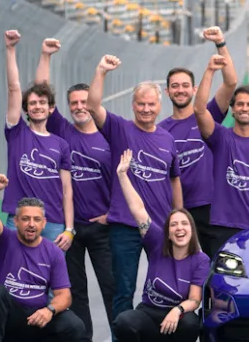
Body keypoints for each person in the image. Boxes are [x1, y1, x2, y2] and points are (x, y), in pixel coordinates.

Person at [85, 54, 183, 319]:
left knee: (165, 288)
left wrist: (180, 217)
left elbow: (174, 179)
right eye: (141, 104)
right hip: (125, 227)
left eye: (151, 104)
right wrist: (101, 71)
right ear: (133, 105)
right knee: (123, 290)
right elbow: (93, 106)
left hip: (161, 226)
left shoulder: (167, 139)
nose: (146, 109)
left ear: (159, 105)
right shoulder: (119, 129)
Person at [38, 37, 118, 342]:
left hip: (102, 228)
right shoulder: (62, 131)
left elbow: (125, 181)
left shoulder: (109, 135)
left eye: (85, 102)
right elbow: (41, 92)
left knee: (112, 289)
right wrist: (46, 56)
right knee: (75, 293)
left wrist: (113, 215)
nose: (80, 107)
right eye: (74, 104)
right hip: (68, 230)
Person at [192, 54, 249, 263]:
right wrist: (209, 71)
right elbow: (199, 110)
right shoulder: (220, 138)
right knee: (221, 283)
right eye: (240, 104)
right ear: (232, 110)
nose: (244, 108)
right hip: (222, 227)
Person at [111, 149, 210, 342]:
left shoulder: (200, 259)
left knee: (192, 323)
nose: (179, 229)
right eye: (174, 224)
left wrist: (177, 310)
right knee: (124, 321)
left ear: (192, 229)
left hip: (177, 316)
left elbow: (195, 299)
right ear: (168, 232)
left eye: (184, 224)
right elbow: (138, 209)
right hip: (149, 313)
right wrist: (123, 175)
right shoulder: (157, 242)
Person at [0, 174, 86, 342]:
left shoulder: (53, 252)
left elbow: (64, 295)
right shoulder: (3, 240)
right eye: (25, 219)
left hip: (36, 318)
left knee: (74, 326)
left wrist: (49, 310)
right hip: (7, 319)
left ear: (43, 223)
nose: (31, 224)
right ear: (16, 221)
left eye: (36, 219)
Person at [158, 26, 238, 245]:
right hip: (181, 213)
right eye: (175, 86)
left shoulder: (207, 116)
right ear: (167, 92)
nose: (180, 90)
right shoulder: (160, 131)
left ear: (194, 90)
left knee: (218, 268)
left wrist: (220, 43)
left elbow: (231, 82)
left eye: (185, 86)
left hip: (214, 208)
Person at [2, 30, 75, 248]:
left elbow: (66, 189)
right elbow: (14, 88)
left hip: (53, 222)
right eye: (32, 103)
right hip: (18, 219)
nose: (37, 106)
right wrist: (10, 49)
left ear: (51, 108)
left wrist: (69, 229)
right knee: (16, 277)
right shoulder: (17, 133)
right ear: (26, 109)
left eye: (42, 103)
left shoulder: (61, 144)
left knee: (51, 280)